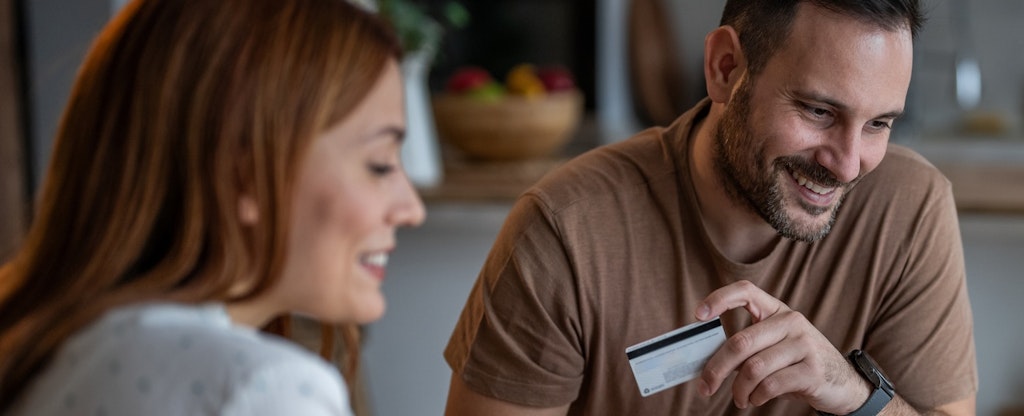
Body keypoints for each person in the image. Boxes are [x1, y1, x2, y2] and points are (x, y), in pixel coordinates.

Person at [443, 0, 977, 415]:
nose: (847, 164)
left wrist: (850, 392)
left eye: (879, 124)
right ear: (725, 68)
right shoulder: (566, 231)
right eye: (818, 111)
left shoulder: (910, 210)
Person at [0, 0, 425, 414]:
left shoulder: (44, 354)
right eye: (380, 164)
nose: (411, 209)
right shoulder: (263, 388)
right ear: (245, 176)